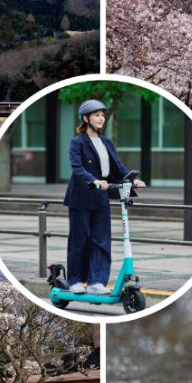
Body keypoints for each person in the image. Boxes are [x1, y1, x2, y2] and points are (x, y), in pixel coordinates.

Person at [62, 99, 146, 294]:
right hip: (82, 196)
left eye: (102, 115)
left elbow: (118, 167)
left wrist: (132, 181)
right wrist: (94, 181)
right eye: (96, 115)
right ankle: (75, 280)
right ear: (86, 118)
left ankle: (96, 282)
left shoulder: (106, 141)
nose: (101, 118)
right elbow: (77, 167)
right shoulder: (77, 142)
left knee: (101, 239)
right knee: (80, 239)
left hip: (101, 197)